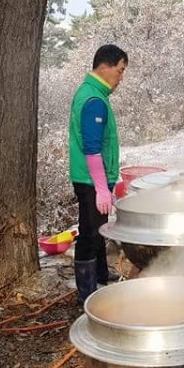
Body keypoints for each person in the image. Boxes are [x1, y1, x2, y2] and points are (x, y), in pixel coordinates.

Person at [69, 44, 128, 303]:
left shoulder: (94, 93)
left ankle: (101, 275)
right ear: (105, 67)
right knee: (89, 232)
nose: (121, 78)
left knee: (99, 228)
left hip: (95, 178)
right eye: (120, 70)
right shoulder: (94, 100)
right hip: (91, 180)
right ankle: (86, 292)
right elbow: (92, 149)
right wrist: (102, 188)